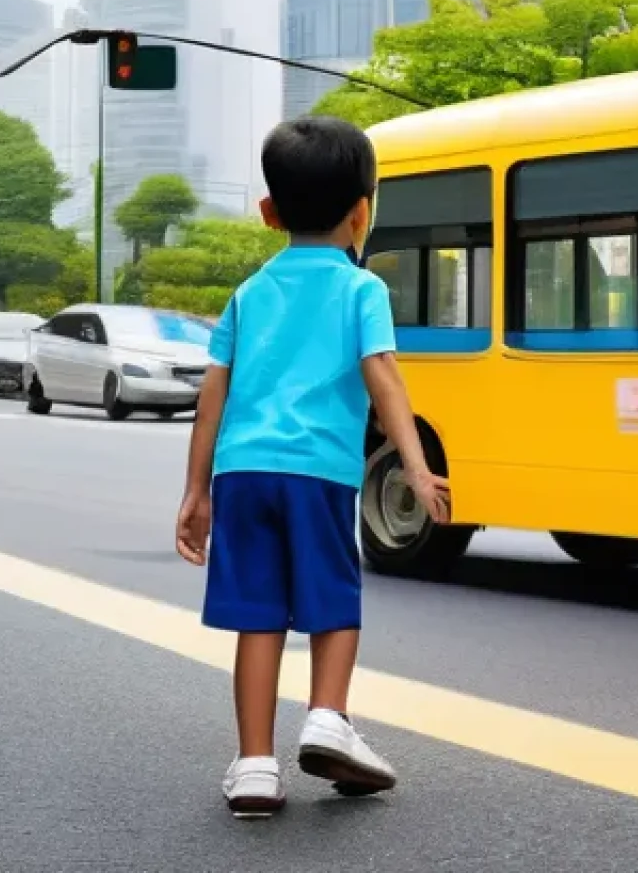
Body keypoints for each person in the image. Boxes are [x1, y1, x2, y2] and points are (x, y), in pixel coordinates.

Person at [175, 115, 450, 818]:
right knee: (332, 600)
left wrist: (195, 491)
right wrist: (415, 467)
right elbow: (383, 375)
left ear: (269, 213)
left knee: (258, 615)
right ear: (362, 215)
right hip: (319, 473)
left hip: (243, 473)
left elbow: (214, 395)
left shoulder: (248, 293)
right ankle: (328, 715)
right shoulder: (362, 291)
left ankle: (256, 766)